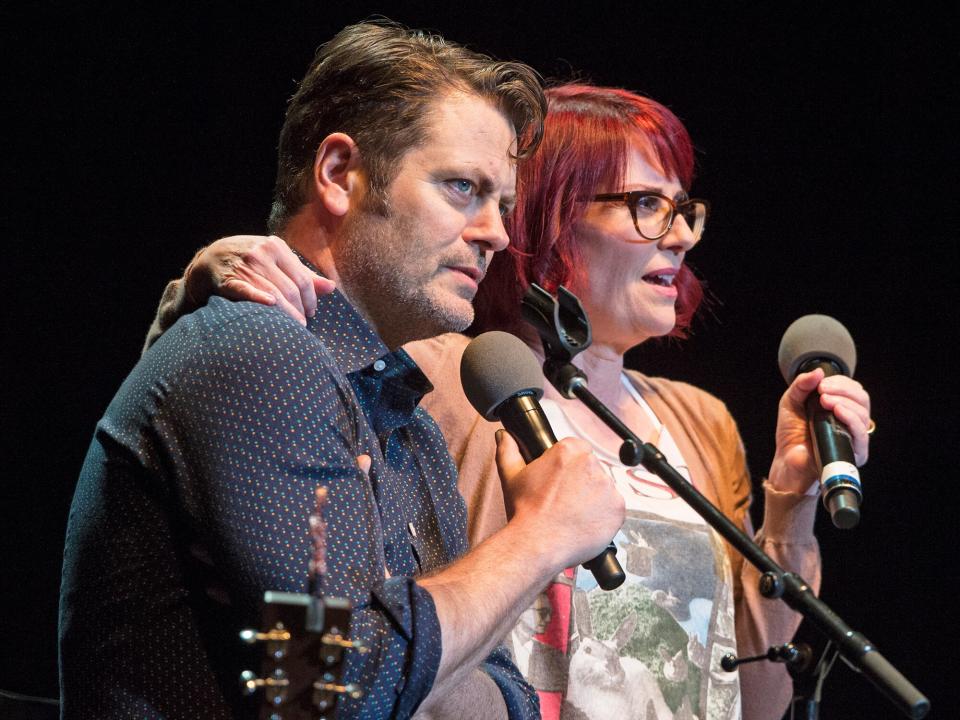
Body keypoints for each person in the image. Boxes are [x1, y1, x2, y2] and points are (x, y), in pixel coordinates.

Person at [147, 84, 872, 720]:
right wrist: (201, 287)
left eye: (684, 209)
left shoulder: (699, 421)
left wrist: (792, 504)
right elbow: (315, 651)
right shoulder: (443, 374)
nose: (679, 235)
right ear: (548, 217)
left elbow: (750, 700)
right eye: (646, 204)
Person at [60, 23, 628, 720]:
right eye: (461, 188)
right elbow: (343, 687)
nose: (498, 234)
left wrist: (411, 665)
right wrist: (542, 534)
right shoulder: (253, 351)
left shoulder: (410, 428)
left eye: (502, 204)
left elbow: (502, 695)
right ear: (337, 175)